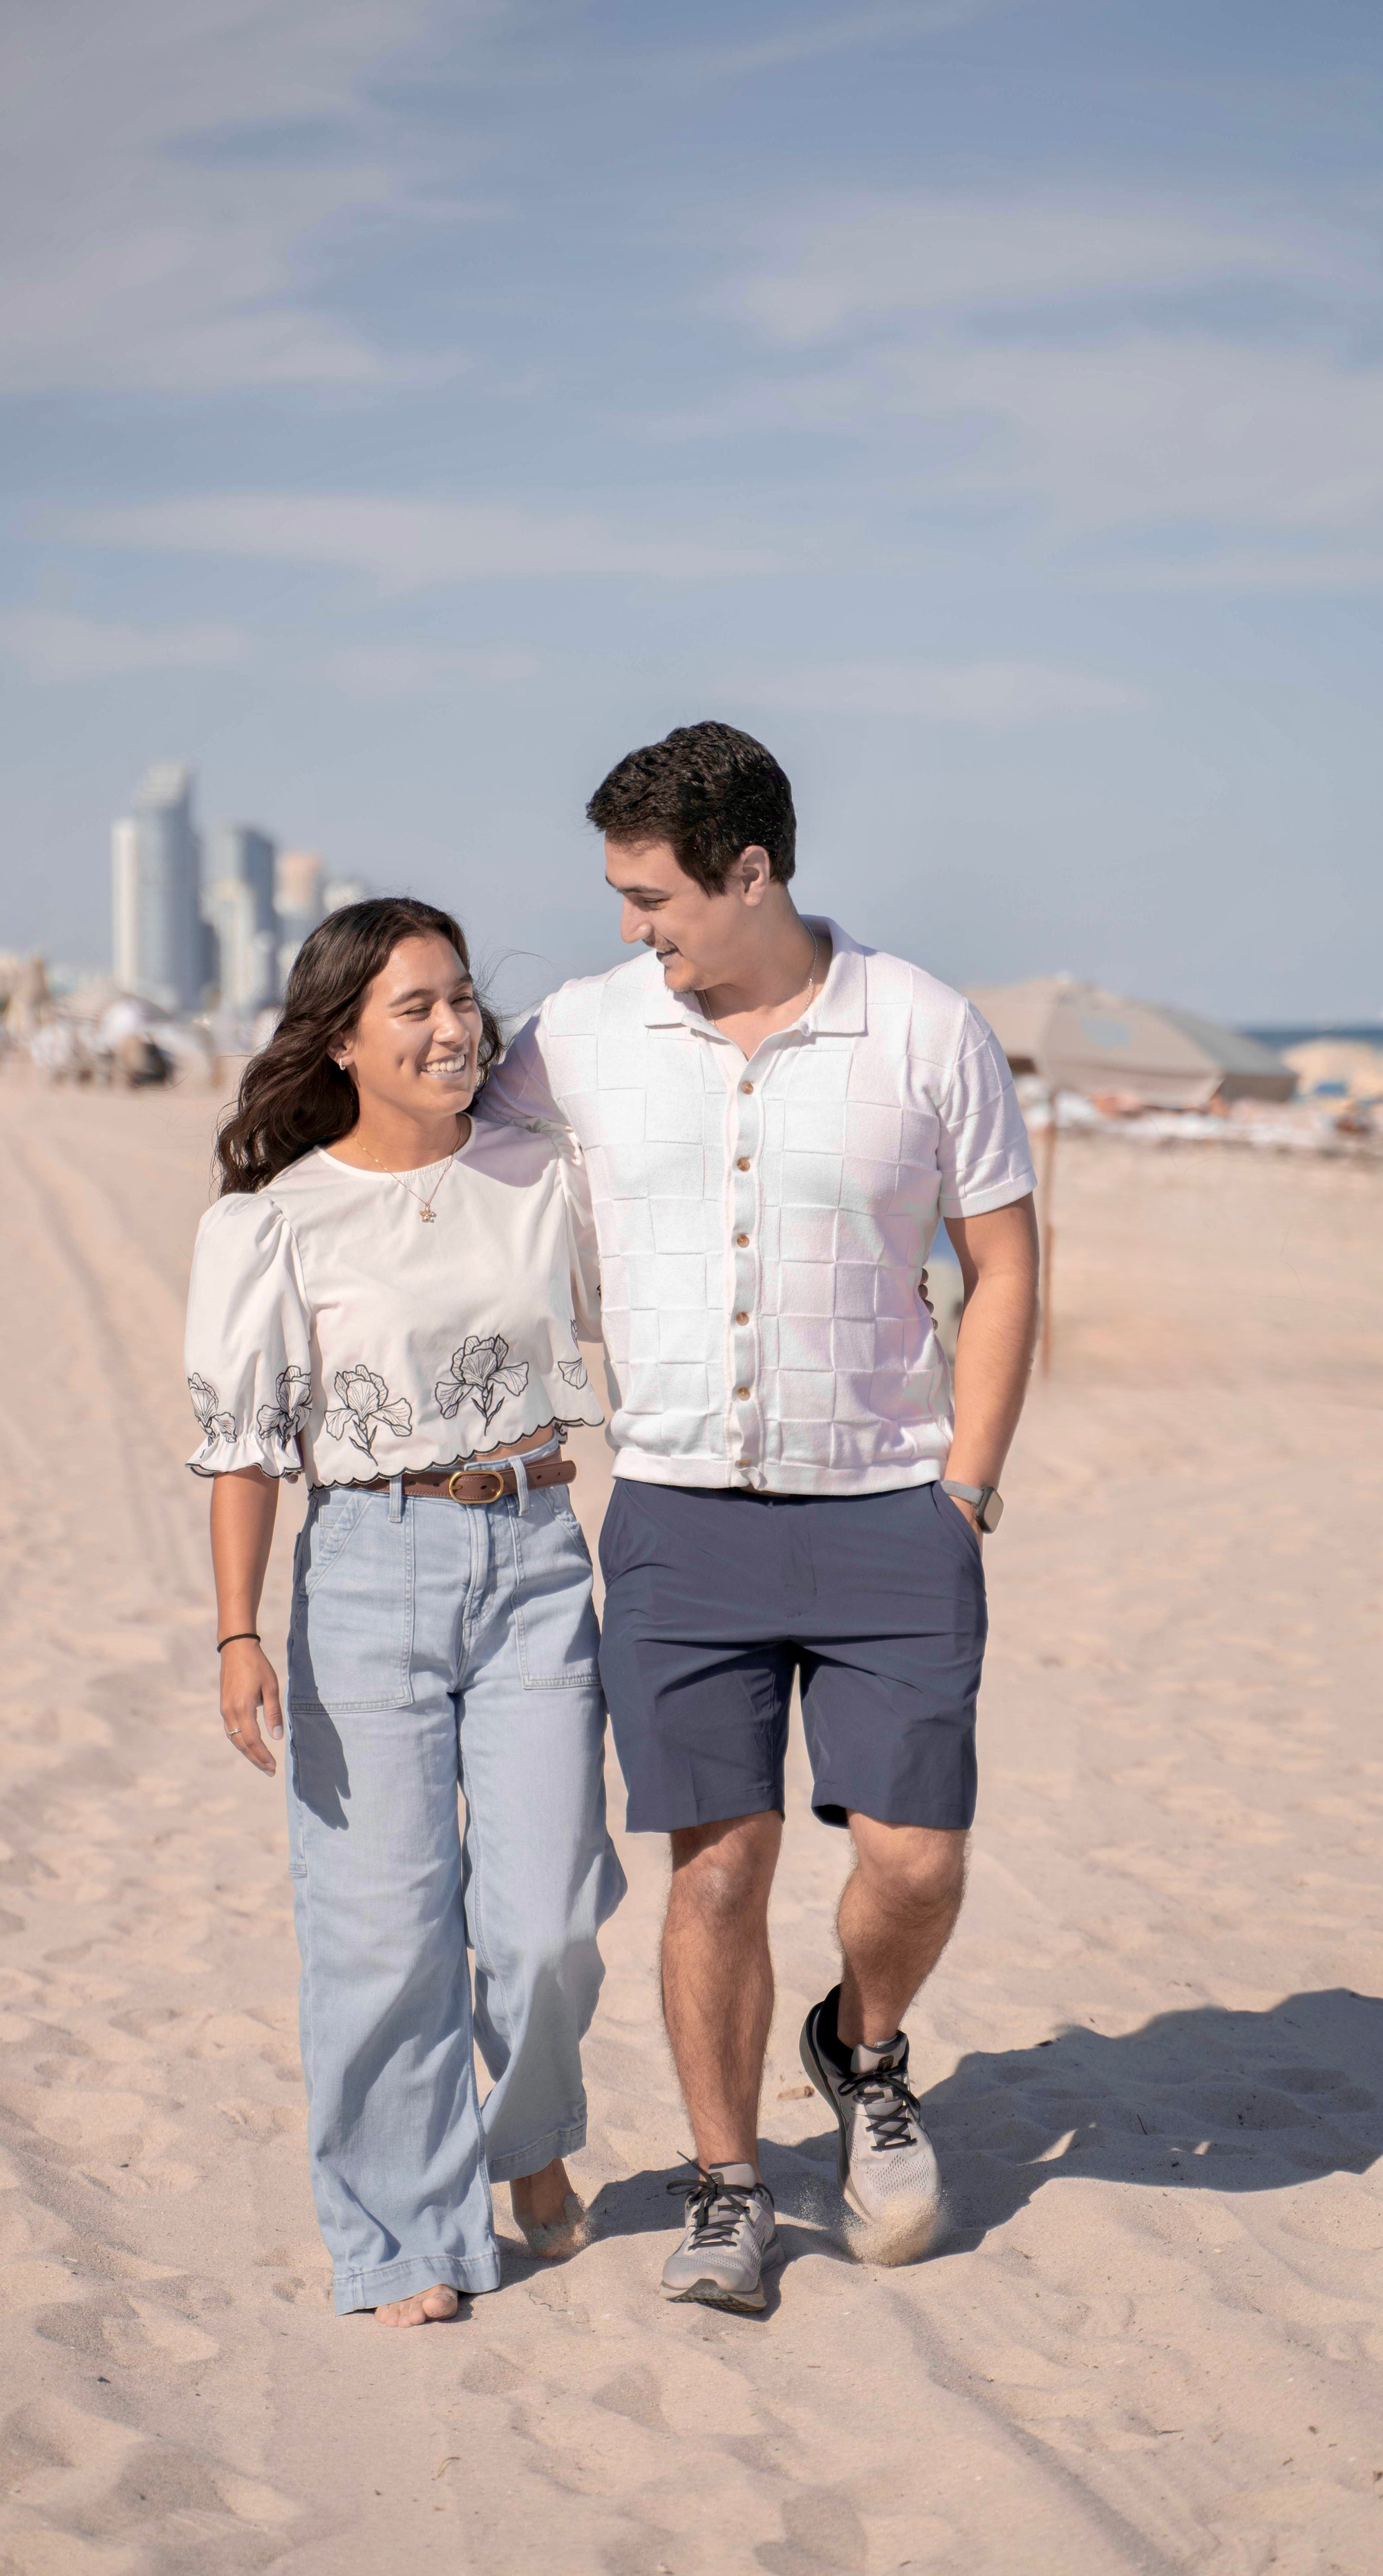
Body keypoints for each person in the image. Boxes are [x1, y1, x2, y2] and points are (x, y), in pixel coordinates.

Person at [480, 724, 1038, 2313]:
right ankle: (730, 2182)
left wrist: (967, 1485)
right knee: (713, 1868)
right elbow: (436, 1137)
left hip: (889, 1513)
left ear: (749, 871)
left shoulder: (924, 1027)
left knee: (916, 1860)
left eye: (650, 894)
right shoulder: (579, 1034)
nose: (628, 927)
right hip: (676, 1515)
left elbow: (1003, 1266)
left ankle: (861, 2053)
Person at [182, 899, 625, 2328]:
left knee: (547, 1916)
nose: (452, 1029)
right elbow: (243, 1441)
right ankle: (398, 2235)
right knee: (381, 1930)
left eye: (459, 1000)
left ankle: (532, 2134)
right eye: (413, 1010)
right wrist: (235, 1628)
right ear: (342, 1043)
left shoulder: (543, 1173)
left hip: (538, 1550)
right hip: (366, 1569)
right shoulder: (272, 1220)